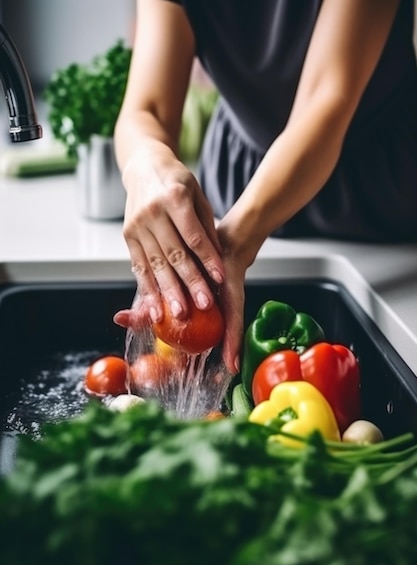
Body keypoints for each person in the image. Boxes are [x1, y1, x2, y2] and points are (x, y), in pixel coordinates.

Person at [113, 0, 417, 375]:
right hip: (238, 189)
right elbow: (148, 110)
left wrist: (233, 246)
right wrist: (145, 164)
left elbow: (326, 100)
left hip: (375, 194)